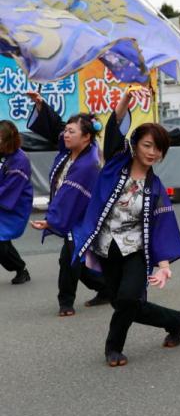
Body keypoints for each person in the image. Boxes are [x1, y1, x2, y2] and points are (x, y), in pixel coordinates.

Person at [73, 89, 180, 367]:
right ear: (136, 144)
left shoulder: (155, 188)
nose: (152, 152)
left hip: (135, 251)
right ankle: (177, 320)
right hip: (105, 247)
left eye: (158, 148)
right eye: (147, 145)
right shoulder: (115, 164)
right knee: (124, 304)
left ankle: (113, 348)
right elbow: (114, 130)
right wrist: (125, 101)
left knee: (127, 299)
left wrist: (164, 265)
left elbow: (162, 226)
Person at [26, 93, 108, 315]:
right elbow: (56, 129)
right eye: (66, 131)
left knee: (69, 256)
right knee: (77, 258)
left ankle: (66, 302)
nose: (65, 135)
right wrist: (41, 105)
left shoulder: (88, 163)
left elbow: (70, 196)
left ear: (87, 137)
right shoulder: (72, 149)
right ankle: (106, 289)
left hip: (85, 215)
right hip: (75, 211)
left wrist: (51, 220)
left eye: (72, 132)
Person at [0, 121, 33, 285]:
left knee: (1, 242)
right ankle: (20, 268)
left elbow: (8, 189)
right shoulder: (3, 154)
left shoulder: (20, 160)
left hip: (13, 203)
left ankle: (20, 268)